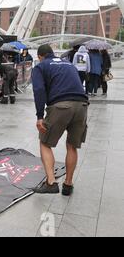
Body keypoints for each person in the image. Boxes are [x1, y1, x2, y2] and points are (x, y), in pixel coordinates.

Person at [32, 45, 89, 196]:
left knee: (44, 142)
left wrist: (39, 117)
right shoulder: (69, 64)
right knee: (72, 146)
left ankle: (51, 182)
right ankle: (68, 184)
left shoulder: (41, 66)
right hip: (82, 105)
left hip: (61, 105)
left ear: (40, 56)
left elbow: (38, 90)